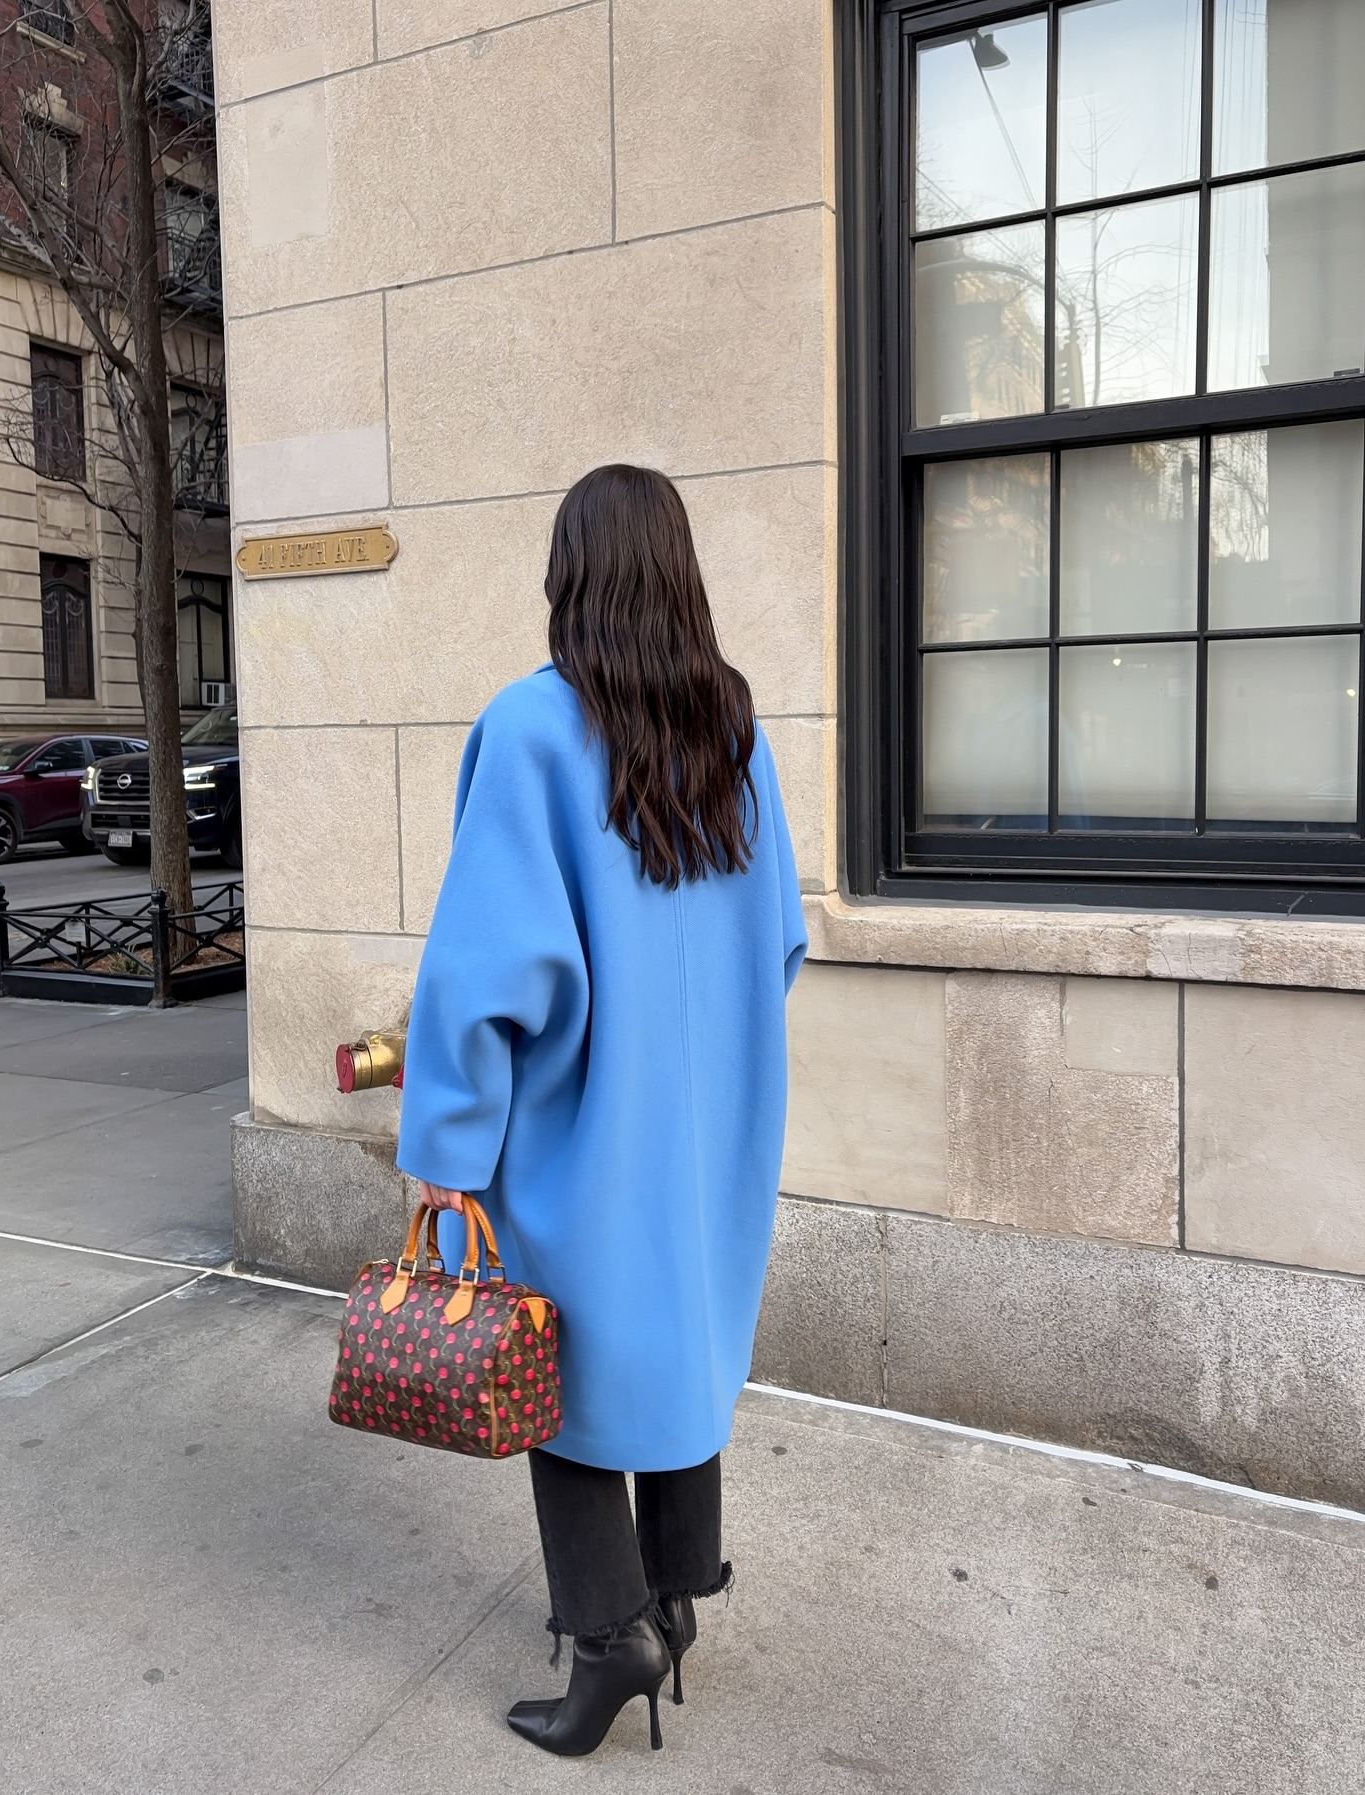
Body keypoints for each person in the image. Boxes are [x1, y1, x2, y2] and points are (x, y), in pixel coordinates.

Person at [395, 463, 808, 1757]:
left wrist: (446, 1150)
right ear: (681, 574)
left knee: (556, 1371)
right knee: (680, 1341)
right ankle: (680, 1599)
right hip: (711, 1123)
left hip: (581, 1125)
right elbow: (782, 939)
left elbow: (486, 977)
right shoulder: (734, 734)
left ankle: (608, 1639)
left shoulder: (530, 729)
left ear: (569, 575)